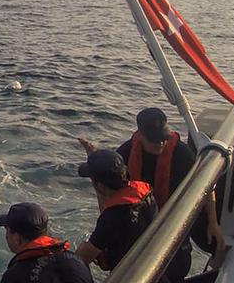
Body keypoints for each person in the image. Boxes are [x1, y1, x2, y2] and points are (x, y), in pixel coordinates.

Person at [79, 107, 225, 281]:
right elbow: (109, 189)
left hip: (171, 226)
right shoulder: (125, 153)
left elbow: (206, 184)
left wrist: (213, 222)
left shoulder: (182, 153)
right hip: (144, 217)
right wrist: (97, 162)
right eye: (154, 140)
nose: (160, 144)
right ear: (140, 134)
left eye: (163, 138)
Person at [75, 150, 157, 273]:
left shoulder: (114, 216)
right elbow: (111, 210)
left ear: (100, 186)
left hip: (131, 275)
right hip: (153, 263)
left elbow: (82, 258)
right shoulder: (145, 194)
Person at [0, 202, 93, 283]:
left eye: (7, 229)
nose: (6, 236)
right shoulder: (77, 261)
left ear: (17, 237)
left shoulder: (14, 277)